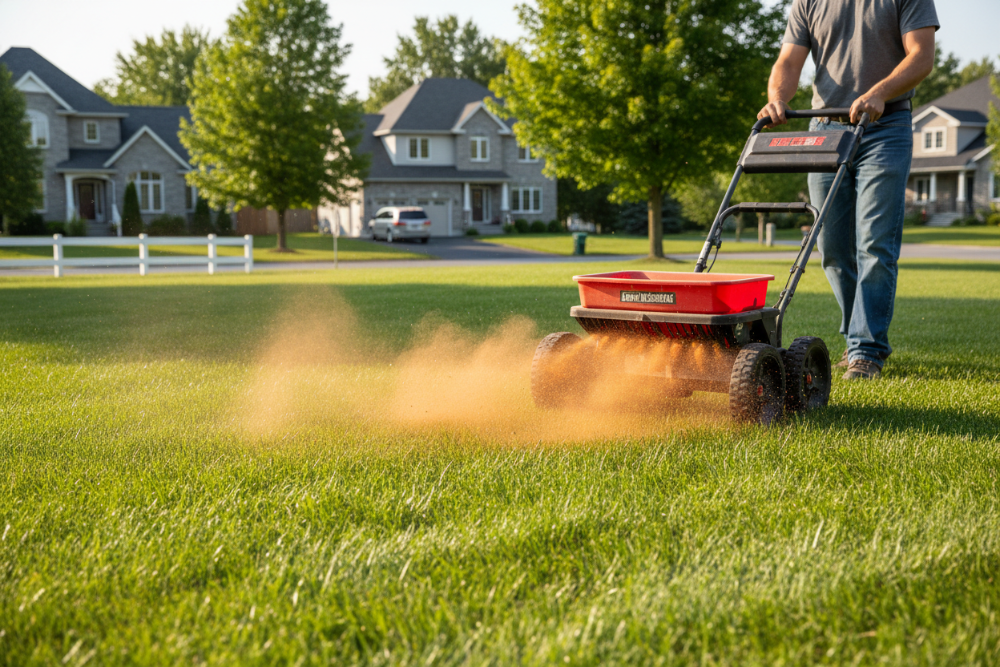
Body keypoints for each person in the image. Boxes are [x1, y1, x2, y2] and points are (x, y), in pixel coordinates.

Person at [758, 0, 938, 379]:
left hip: (885, 126)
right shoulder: (808, 2)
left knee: (874, 242)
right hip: (824, 130)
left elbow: (921, 56)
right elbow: (789, 61)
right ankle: (856, 338)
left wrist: (880, 91)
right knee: (833, 247)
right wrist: (778, 99)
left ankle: (865, 350)